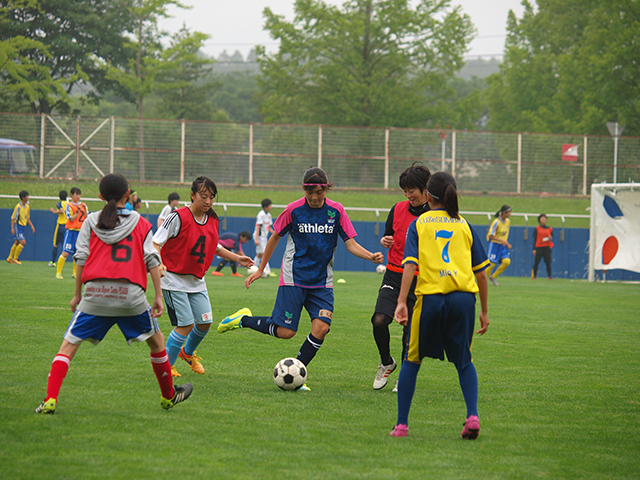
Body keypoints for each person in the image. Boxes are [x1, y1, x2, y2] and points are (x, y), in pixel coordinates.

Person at [35, 173, 193, 414]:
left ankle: (50, 399)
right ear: (128, 194)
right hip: (131, 297)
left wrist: (77, 295)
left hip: (95, 294)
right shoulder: (140, 222)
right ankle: (168, 396)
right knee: (157, 342)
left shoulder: (91, 221)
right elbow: (152, 260)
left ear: (100, 196)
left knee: (67, 347)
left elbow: (80, 258)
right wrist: (158, 296)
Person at [217, 167, 384, 390]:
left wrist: (370, 256)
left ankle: (297, 372)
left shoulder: (336, 211)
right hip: (293, 278)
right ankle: (242, 320)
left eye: (319, 193)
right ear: (304, 190)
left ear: (326, 189)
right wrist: (260, 269)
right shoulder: (293, 210)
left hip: (322, 282)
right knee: (286, 332)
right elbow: (274, 237)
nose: (314, 197)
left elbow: (350, 244)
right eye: (309, 193)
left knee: (321, 328)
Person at [390, 171, 490, 439]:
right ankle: (472, 416)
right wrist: (484, 311)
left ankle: (402, 425)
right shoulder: (464, 225)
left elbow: (410, 264)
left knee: (412, 360)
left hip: (431, 298)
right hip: (464, 299)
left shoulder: (419, 224)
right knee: (465, 361)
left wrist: (401, 301)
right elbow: (481, 274)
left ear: (428, 195)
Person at [153, 176, 252, 377]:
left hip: (196, 280)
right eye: (203, 196)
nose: (208, 201)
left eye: (211, 197)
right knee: (185, 325)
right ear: (192, 195)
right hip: (173, 279)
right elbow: (156, 242)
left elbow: (214, 246)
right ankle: (166, 367)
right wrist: (159, 262)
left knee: (205, 322)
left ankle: (187, 353)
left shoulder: (212, 220)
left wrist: (237, 258)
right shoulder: (177, 217)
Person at [371, 164, 431, 392]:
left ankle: (404, 376)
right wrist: (384, 241)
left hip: (421, 279)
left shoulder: (435, 215)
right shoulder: (397, 209)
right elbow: (388, 236)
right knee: (379, 320)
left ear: (425, 189)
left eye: (411, 190)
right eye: (404, 191)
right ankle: (386, 362)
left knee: (410, 332)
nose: (407, 195)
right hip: (394, 274)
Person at [56, 187, 88, 279]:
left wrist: (84, 210)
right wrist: (78, 211)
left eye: (79, 194)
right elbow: (71, 219)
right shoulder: (69, 206)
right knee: (65, 253)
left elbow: (86, 217)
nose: (78, 196)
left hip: (80, 232)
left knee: (77, 254)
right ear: (71, 195)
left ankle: (75, 273)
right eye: (76, 194)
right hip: (71, 232)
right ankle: (58, 273)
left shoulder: (83, 205)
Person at [6, 190, 35, 264]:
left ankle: (9, 258)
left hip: (23, 227)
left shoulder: (27, 207)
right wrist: (12, 228)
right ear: (23, 198)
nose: (28, 197)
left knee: (16, 242)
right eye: (27, 196)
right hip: (18, 226)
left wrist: (32, 226)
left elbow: (27, 218)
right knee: (23, 242)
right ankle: (15, 258)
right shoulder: (18, 207)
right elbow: (13, 218)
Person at [485, 204, 512, 286]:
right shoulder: (496, 222)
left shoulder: (508, 221)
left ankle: (493, 277)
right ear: (504, 212)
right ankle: (482, 282)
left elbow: (504, 235)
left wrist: (506, 243)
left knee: (507, 262)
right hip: (494, 245)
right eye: (509, 212)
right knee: (491, 264)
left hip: (502, 246)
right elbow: (490, 235)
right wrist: (502, 241)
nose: (510, 214)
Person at [254, 198, 275, 277]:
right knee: (265, 253)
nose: (271, 207)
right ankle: (267, 271)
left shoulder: (269, 215)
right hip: (260, 236)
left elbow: (269, 228)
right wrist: (257, 239)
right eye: (270, 205)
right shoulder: (261, 214)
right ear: (266, 207)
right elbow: (258, 226)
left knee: (259, 254)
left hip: (264, 237)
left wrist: (274, 233)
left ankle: (253, 267)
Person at [48, 190, 68, 267]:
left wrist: (54, 211)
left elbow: (61, 211)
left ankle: (53, 262)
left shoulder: (59, 204)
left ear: (59, 197)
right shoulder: (69, 204)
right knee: (66, 245)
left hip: (60, 226)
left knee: (55, 244)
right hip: (67, 226)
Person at [532, 213, 553, 280]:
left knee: (548, 262)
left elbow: (551, 237)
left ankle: (549, 276)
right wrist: (534, 249)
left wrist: (550, 237)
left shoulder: (549, 229)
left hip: (546, 247)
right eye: (542, 218)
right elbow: (535, 239)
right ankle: (534, 276)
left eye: (545, 218)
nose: (543, 219)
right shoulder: (537, 228)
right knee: (536, 262)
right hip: (539, 247)